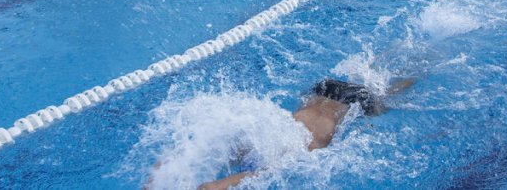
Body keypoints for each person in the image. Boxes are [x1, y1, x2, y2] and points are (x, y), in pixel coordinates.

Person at [176, 77, 416, 190]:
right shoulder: (299, 148)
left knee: (386, 93)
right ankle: (409, 77)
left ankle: (410, 77)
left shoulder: (293, 147)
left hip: (327, 93)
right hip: (331, 96)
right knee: (386, 91)